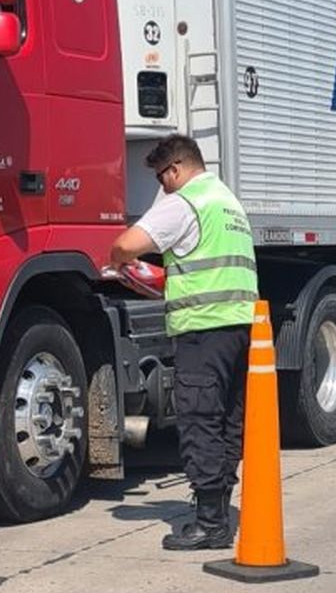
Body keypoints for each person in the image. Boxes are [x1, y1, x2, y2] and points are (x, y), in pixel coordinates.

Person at [109, 134, 259, 551]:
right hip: (238, 327)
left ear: (175, 169)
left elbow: (125, 244)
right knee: (227, 421)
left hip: (202, 329)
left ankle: (209, 524)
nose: (162, 186)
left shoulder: (186, 201)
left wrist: (120, 263)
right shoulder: (227, 200)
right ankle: (221, 513)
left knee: (199, 421)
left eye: (162, 177)